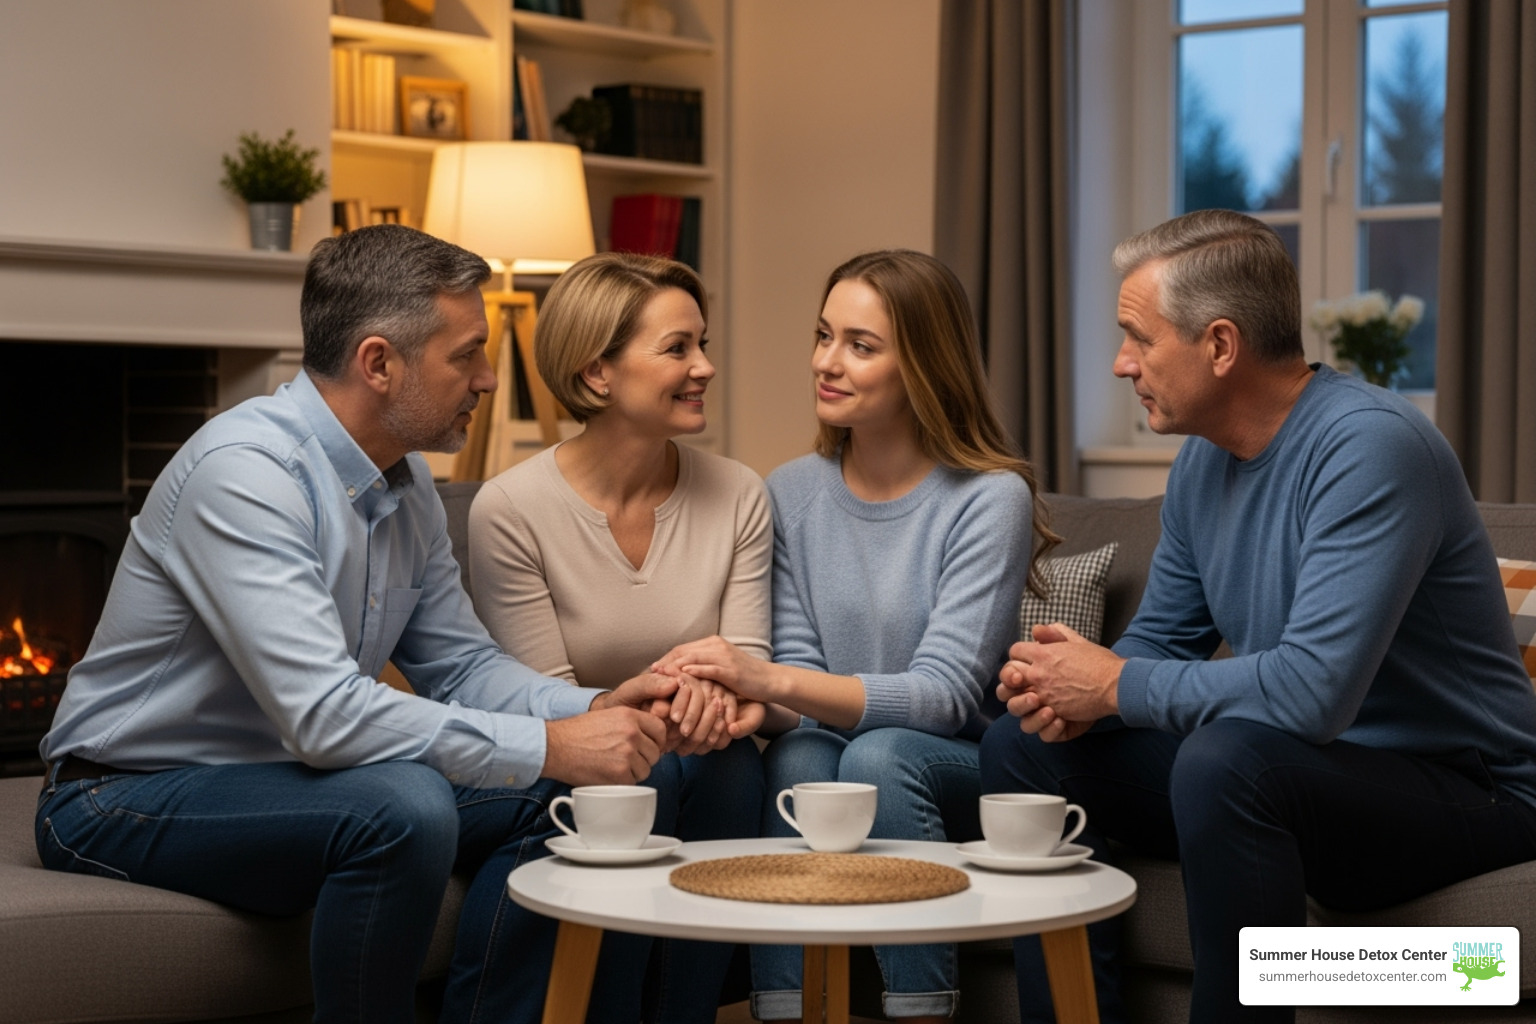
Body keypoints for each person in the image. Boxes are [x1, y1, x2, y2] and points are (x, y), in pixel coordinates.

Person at [34, 224, 716, 1024]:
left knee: (624, 777)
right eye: (467, 355)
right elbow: (324, 717)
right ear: (379, 362)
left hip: (296, 781)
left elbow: (460, 667)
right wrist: (549, 744)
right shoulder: (247, 475)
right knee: (404, 805)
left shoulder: (406, 480)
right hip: (124, 795)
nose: (490, 380)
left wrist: (594, 713)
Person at [980, 209, 1536, 1024]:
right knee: (1023, 749)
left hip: (1468, 792)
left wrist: (1115, 685)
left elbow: (1312, 694)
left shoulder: (1371, 447)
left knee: (1228, 761)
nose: (1119, 362)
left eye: (1138, 336)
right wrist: (1066, 689)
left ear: (1220, 346)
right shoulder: (1204, 464)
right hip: (1307, 774)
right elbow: (1159, 642)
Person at [653, 249, 1057, 1023]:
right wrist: (739, 700)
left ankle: (920, 1008)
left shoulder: (988, 498)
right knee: (802, 756)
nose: (825, 363)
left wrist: (767, 682)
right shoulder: (793, 491)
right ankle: (787, 1008)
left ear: (925, 367)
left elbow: (942, 699)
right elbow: (802, 680)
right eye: (823, 335)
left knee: (874, 754)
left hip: (963, 768)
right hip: (845, 753)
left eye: (860, 346)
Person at [466, 251, 770, 1022]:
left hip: (702, 750)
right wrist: (667, 709)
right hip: (569, 753)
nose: (703, 366)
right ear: (598, 373)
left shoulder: (738, 492)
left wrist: (718, 702)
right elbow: (546, 696)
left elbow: (750, 664)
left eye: (702, 344)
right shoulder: (510, 509)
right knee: (646, 774)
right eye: (677, 349)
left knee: (731, 768)